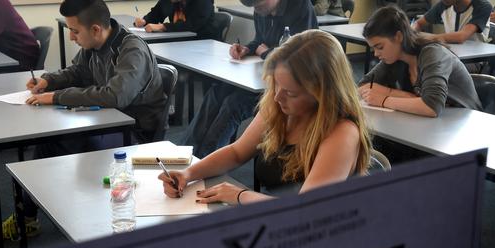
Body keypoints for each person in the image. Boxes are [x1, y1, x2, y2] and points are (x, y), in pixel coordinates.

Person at [0, 0, 167, 241]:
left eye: (75, 31)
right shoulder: (94, 46)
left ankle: (61, 217)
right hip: (105, 121)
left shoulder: (131, 50)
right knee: (49, 141)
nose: (71, 37)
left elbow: (115, 95)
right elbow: (77, 72)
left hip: (134, 131)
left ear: (96, 29)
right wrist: (49, 81)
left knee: (63, 140)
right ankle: (27, 218)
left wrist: (57, 97)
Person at [159, 29, 371, 205]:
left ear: (322, 93)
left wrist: (240, 195)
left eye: (291, 92)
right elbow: (236, 152)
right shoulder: (278, 106)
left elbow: (305, 212)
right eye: (276, 84)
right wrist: (188, 174)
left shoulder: (342, 132)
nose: (278, 96)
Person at [182, 0, 318, 158]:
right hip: (262, 76)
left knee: (233, 104)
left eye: (259, 6)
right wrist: (247, 48)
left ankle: (204, 158)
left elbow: (300, 53)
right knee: (216, 92)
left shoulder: (300, 6)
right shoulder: (261, 10)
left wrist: (266, 53)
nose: (257, 11)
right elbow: (260, 41)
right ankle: (186, 152)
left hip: (289, 84)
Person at [359, 5, 482, 117]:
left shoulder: (432, 54)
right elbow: (363, 86)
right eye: (373, 48)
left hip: (466, 124)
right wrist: (406, 96)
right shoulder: (394, 58)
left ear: (398, 37)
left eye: (380, 47)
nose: (376, 54)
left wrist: (383, 99)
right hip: (433, 124)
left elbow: (431, 106)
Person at [411, 0, 493, 44]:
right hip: (451, 55)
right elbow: (418, 23)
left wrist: (424, 37)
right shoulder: (443, 5)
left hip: (473, 61)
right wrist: (410, 32)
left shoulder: (483, 6)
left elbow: (460, 37)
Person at [133, 0, 217, 40]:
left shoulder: (203, 2)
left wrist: (162, 27)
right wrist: (144, 21)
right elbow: (156, 13)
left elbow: (192, 25)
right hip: (179, 40)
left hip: (201, 41)